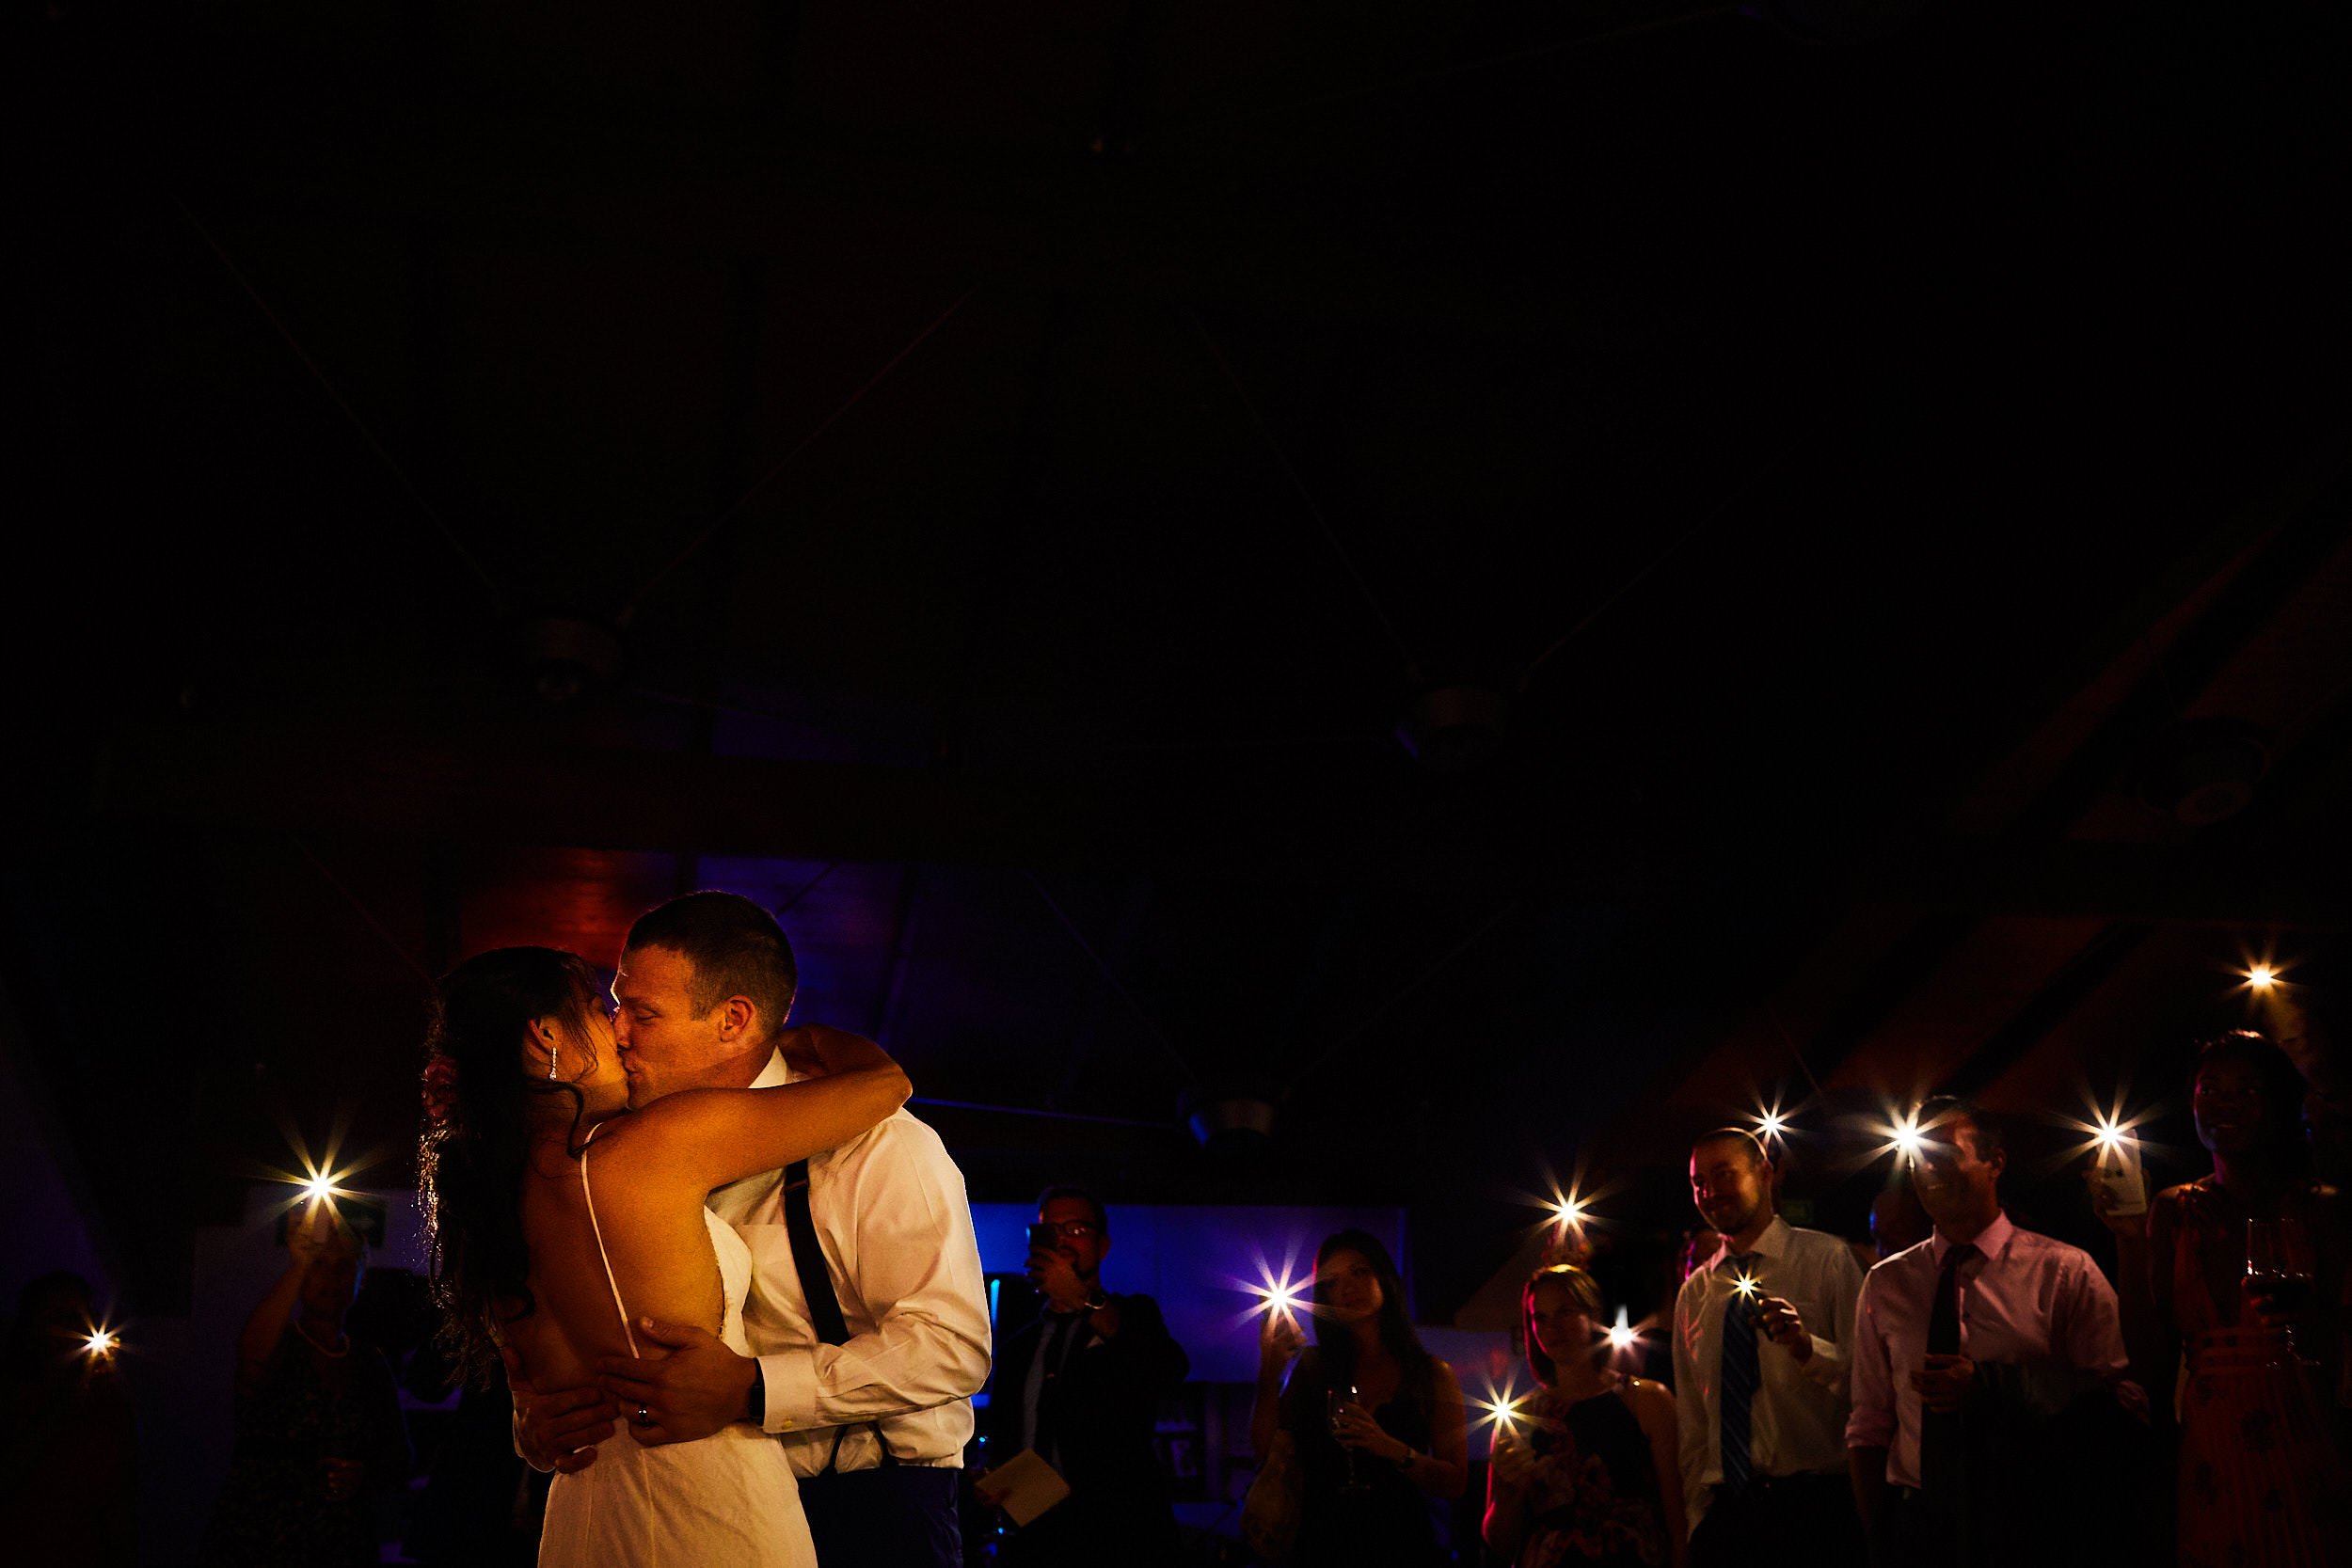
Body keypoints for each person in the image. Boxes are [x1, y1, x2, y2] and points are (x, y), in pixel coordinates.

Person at [514, 893, 992, 1568]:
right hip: (700, 1512)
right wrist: (533, 1420)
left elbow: (953, 1347)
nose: (618, 1032)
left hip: (871, 1509)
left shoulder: (880, 1144)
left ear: (734, 1020)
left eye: (642, 1013)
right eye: (616, 1006)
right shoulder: (608, 1147)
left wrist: (755, 1388)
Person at [421, 942, 912, 1568]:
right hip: (707, 1513)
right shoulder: (654, 1143)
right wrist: (801, 1038)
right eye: (597, 1009)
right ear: (544, 1035)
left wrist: (531, 1434)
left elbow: (539, 1413)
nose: (619, 1030)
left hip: (580, 1520)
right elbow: (886, 1085)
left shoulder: (487, 1211)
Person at [1847, 1097, 2137, 1568]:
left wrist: (1997, 1386)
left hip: (2029, 1515)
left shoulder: (2062, 1270)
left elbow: (2123, 1397)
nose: (1928, 1168)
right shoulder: (1888, 1282)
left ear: (1994, 1163)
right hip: (1922, 1524)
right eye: (1917, 1156)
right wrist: (1879, 1535)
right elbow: (1869, 1423)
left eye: (1944, 1154)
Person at [2094, 1031, 2349, 1565]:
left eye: (2246, 1092)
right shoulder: (2175, 1211)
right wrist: (2126, 1238)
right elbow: (2152, 1366)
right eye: (2210, 1091)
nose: (2223, 1106)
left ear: (2277, 1104)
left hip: (2311, 1432)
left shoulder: (2322, 1208)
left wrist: (2310, 1323)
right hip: (2216, 1448)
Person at [1672, 1128, 1865, 1567]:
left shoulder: (1827, 1260)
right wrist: (1698, 1517)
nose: (1710, 1191)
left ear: (1765, 1173)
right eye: (1699, 1182)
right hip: (1730, 1515)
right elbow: (1693, 1423)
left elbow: (1868, 1384)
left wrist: (1807, 1350)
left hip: (1815, 1508)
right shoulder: (1695, 1292)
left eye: (1723, 1175)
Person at [977, 1184, 1191, 1567]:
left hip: (1117, 1535)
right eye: (1051, 1232)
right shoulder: (1019, 1344)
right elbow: (1006, 1430)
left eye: (1077, 1230)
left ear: (1103, 1246)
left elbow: (1168, 1371)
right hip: (1032, 1535)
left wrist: (1083, 1298)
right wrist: (990, 1474)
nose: (1063, 1241)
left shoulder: (1132, 1315)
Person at [202, 1207, 411, 1568]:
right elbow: (251, 1361)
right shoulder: (278, 1345)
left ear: (359, 1275)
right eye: (319, 1265)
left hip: (342, 1541)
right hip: (262, 1537)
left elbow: (398, 1455)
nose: (331, 1278)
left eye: (344, 1266)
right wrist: (299, 1264)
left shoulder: (369, 1362)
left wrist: (362, 1474)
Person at [1252, 1228, 1468, 1568]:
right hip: (1323, 1542)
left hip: (1402, 1543)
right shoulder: (1312, 1367)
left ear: (1383, 1277)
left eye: (1358, 1272)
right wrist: (1268, 1374)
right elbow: (1264, 1450)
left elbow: (1455, 1482)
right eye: (1333, 1282)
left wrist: (1391, 1448)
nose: (1348, 1288)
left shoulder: (1430, 1373)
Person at [1485, 1264, 1683, 1568]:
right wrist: (1509, 1494)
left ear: (1591, 1314)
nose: (1552, 1327)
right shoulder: (1521, 1417)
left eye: (1565, 1312)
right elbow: (1499, 1543)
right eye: (1541, 1318)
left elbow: (1679, 1518)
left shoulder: (1646, 1401)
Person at [1, 1271, 138, 1568]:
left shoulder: (107, 1404)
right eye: (58, 1315)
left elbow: (119, 1501)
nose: (73, 1327)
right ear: (31, 1327)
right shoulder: (14, 1399)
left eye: (81, 1315)